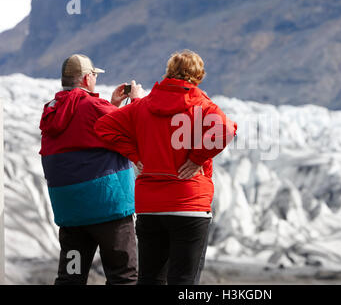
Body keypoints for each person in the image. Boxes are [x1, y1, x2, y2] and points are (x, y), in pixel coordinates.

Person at [95, 50, 237, 285]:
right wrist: (197, 158)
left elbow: (104, 126)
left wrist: (134, 154)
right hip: (189, 204)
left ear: (169, 72)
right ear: (198, 76)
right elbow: (227, 129)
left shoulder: (143, 106)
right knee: (184, 281)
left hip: (150, 207)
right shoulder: (202, 105)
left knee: (150, 279)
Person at [39, 54, 144, 285]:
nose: (94, 79)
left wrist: (113, 105)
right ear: (87, 78)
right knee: (122, 276)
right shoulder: (95, 107)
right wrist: (135, 101)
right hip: (108, 212)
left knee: (71, 276)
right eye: (94, 75)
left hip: (72, 215)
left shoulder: (52, 111)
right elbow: (137, 127)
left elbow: (86, 130)